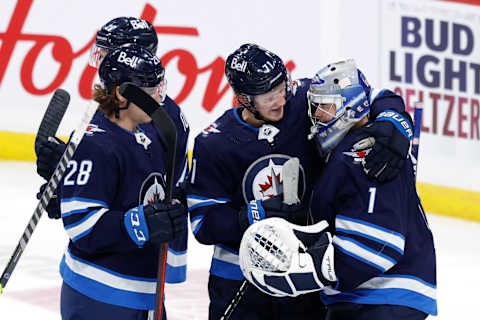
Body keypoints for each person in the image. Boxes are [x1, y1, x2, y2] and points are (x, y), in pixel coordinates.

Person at [186, 44, 414, 319]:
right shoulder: (214, 143)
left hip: (304, 267)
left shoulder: (304, 99)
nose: (280, 100)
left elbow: (371, 94)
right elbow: (203, 223)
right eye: (269, 96)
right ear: (244, 99)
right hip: (240, 275)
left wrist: (395, 121)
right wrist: (251, 216)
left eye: (281, 89)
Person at [240, 59, 437, 319]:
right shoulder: (343, 152)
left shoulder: (366, 152)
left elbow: (377, 246)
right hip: (365, 298)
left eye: (325, 107)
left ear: (351, 107)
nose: (316, 115)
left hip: (383, 296)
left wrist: (307, 272)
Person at [35, 16, 190, 289]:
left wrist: (69, 171)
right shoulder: (119, 104)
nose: (102, 64)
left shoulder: (156, 116)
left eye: (107, 55)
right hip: (109, 256)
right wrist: (67, 187)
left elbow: (134, 174)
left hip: (135, 258)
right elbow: (104, 179)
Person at [58, 44, 188, 320]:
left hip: (144, 289)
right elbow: (80, 224)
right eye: (150, 91)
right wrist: (143, 222)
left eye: (158, 88)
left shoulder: (149, 135)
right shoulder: (95, 144)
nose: (159, 98)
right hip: (100, 294)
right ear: (121, 94)